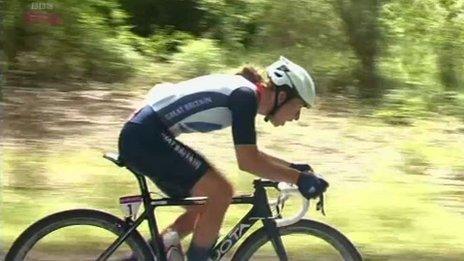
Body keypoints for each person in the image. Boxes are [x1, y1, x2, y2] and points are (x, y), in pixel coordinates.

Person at [118, 56, 329, 261]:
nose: (296, 117)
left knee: (203, 208)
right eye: (298, 107)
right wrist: (299, 179)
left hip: (144, 134)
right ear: (282, 97)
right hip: (146, 137)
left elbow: (252, 154)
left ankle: (139, 257)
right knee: (221, 192)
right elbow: (248, 161)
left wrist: (294, 169)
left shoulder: (246, 93)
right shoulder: (245, 96)